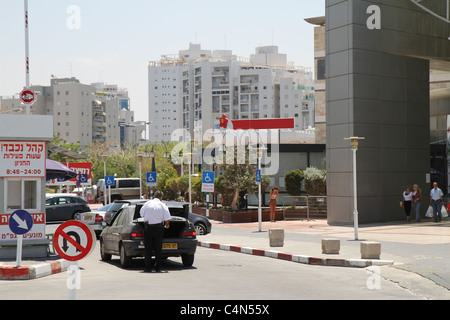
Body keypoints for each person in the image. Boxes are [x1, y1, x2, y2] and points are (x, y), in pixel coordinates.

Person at [140, 191, 171, 272]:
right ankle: (158, 268)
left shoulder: (147, 203)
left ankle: (147, 268)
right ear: (161, 197)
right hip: (159, 228)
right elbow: (167, 218)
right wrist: (167, 225)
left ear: (154, 196)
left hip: (148, 228)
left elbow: (141, 214)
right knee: (158, 249)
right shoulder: (163, 205)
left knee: (148, 249)